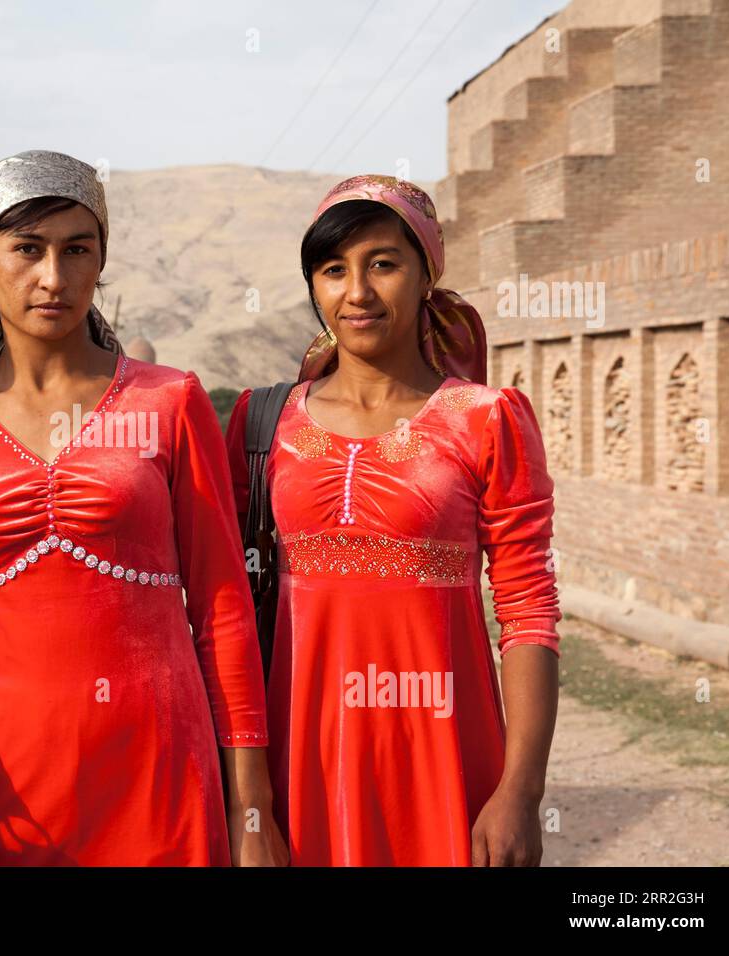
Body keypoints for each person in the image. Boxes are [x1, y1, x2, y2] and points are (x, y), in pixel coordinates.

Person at [0, 150, 287, 865]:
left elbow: (224, 608)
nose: (54, 277)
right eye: (27, 249)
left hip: (158, 768)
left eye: (78, 249)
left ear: (101, 260)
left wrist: (251, 807)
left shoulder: (171, 401)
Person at [225, 174, 560, 866]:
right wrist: (250, 802)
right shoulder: (265, 422)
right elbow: (228, 614)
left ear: (426, 273)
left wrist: (520, 792)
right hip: (301, 765)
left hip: (446, 759)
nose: (357, 292)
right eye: (332, 270)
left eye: (383, 263)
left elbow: (527, 610)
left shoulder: (486, 419)